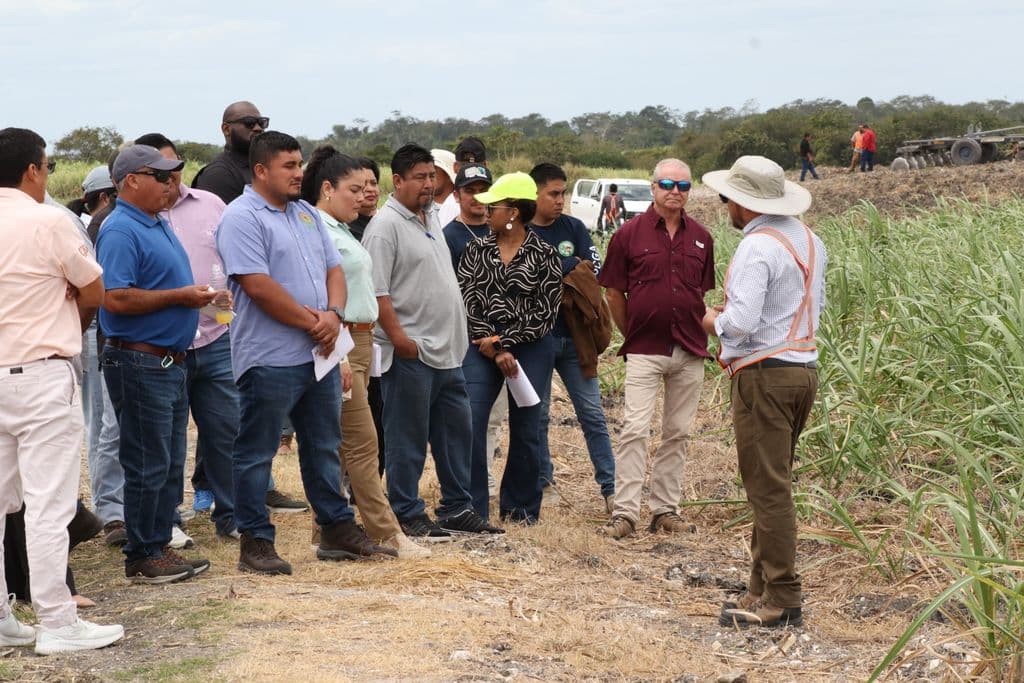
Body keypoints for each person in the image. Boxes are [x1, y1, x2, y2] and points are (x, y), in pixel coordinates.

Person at [217, 131, 395, 575]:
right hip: (270, 356)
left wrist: (333, 314)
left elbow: (333, 268)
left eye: (299, 164)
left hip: (319, 353)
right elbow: (257, 285)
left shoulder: (305, 216)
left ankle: (336, 530)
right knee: (256, 451)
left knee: (324, 445)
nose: (300, 174)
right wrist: (314, 321)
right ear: (261, 171)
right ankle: (255, 541)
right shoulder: (242, 217)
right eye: (289, 166)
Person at [0, 126, 124, 654]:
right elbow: (93, 287)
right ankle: (56, 619)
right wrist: (65, 298)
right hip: (40, 371)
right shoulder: (48, 219)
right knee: (48, 504)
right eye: (47, 166)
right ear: (33, 170)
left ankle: (4, 617)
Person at [701, 155, 825, 628]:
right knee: (769, 481)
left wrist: (712, 320)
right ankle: (760, 586)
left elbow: (742, 324)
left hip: (765, 376)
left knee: (768, 488)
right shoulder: (810, 240)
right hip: (801, 370)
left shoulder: (756, 248)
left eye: (726, 198)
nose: (724, 206)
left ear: (743, 204)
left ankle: (783, 596)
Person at [362, 143, 502, 540]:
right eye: (419, 178)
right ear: (398, 181)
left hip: (448, 353)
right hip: (412, 354)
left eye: (431, 177)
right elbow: (378, 293)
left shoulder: (431, 218)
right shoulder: (386, 226)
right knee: (406, 438)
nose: (427, 185)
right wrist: (401, 339)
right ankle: (407, 512)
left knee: (456, 434)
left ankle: (457, 508)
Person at [301, 146, 430, 559]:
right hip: (340, 342)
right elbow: (318, 295)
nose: (363, 197)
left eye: (366, 188)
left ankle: (329, 527)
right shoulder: (316, 229)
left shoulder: (339, 228)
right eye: (353, 189)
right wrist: (337, 353)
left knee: (341, 441)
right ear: (326, 189)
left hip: (360, 342)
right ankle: (387, 533)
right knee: (362, 442)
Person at [98, 144, 214, 583]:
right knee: (147, 460)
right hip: (139, 360)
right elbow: (115, 297)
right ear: (131, 181)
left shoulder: (154, 222)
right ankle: (143, 555)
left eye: (173, 176)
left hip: (165, 362)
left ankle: (158, 544)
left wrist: (197, 298)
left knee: (165, 460)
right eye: (161, 176)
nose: (171, 183)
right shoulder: (120, 230)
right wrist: (181, 297)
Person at [598, 158, 715, 540]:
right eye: (667, 184)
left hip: (690, 348)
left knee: (678, 432)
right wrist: (631, 330)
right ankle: (625, 513)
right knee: (634, 428)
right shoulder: (628, 235)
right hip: (645, 347)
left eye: (683, 186)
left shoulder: (701, 237)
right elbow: (614, 292)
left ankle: (665, 509)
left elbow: (702, 293)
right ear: (653, 187)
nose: (675, 192)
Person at [147, 135, 240, 540]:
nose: (171, 179)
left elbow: (231, 257)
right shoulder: (138, 216)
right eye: (160, 173)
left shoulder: (210, 204)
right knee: (168, 439)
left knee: (227, 431)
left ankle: (233, 516)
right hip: (168, 344)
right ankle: (169, 520)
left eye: (176, 168)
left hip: (217, 336)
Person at [459, 173, 562, 523]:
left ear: (514, 212)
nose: (486, 211)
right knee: (470, 418)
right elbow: (468, 299)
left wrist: (505, 343)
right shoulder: (477, 248)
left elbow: (545, 314)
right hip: (480, 345)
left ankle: (520, 508)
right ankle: (470, 506)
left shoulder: (544, 253)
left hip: (529, 346)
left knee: (527, 426)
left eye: (495, 206)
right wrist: (490, 341)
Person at [528, 163, 616, 512]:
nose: (560, 200)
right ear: (534, 194)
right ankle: (544, 484)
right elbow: (528, 277)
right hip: (537, 339)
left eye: (563, 193)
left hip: (576, 338)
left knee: (593, 414)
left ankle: (611, 489)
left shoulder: (574, 228)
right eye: (553, 193)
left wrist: (555, 271)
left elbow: (591, 270)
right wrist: (565, 269)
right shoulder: (521, 231)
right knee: (538, 416)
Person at [441, 163, 504, 496]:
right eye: (470, 190)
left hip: (506, 339)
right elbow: (451, 293)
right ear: (456, 195)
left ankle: (486, 473)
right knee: (469, 414)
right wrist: (478, 333)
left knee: (496, 416)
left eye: (484, 189)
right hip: (469, 341)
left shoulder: (504, 230)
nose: (478, 197)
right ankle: (466, 480)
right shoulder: (448, 237)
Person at [192, 101, 267, 203]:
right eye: (249, 123)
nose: (258, 128)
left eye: (262, 122)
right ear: (226, 129)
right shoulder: (218, 174)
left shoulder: (263, 166)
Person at [347, 157, 381, 241]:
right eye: (363, 184)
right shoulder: (345, 229)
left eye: (373, 183)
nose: (370, 189)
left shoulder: (387, 219)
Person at [431, 148, 459, 226]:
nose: (429, 176)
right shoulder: (419, 206)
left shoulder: (462, 208)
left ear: (449, 175)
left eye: (434, 171)